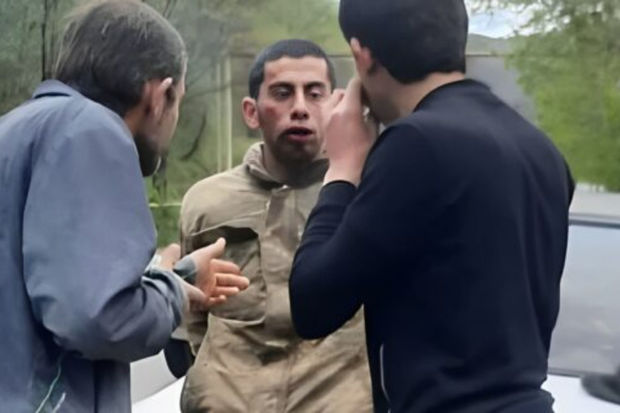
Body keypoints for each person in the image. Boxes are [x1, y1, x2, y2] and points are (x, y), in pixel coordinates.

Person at [289, 1, 575, 412]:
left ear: (361, 55)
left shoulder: (415, 144)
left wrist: (342, 168)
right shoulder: (542, 151)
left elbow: (312, 304)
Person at [0, 1, 248, 412]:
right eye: (179, 102)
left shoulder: (16, 129)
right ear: (160, 95)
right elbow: (97, 319)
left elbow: (48, 287)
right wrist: (174, 294)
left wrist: (174, 277)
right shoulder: (93, 131)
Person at [177, 39, 373, 412]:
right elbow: (192, 315)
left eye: (314, 93)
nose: (299, 108)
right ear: (252, 112)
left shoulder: (365, 197)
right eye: (282, 93)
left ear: (335, 105)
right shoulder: (207, 203)